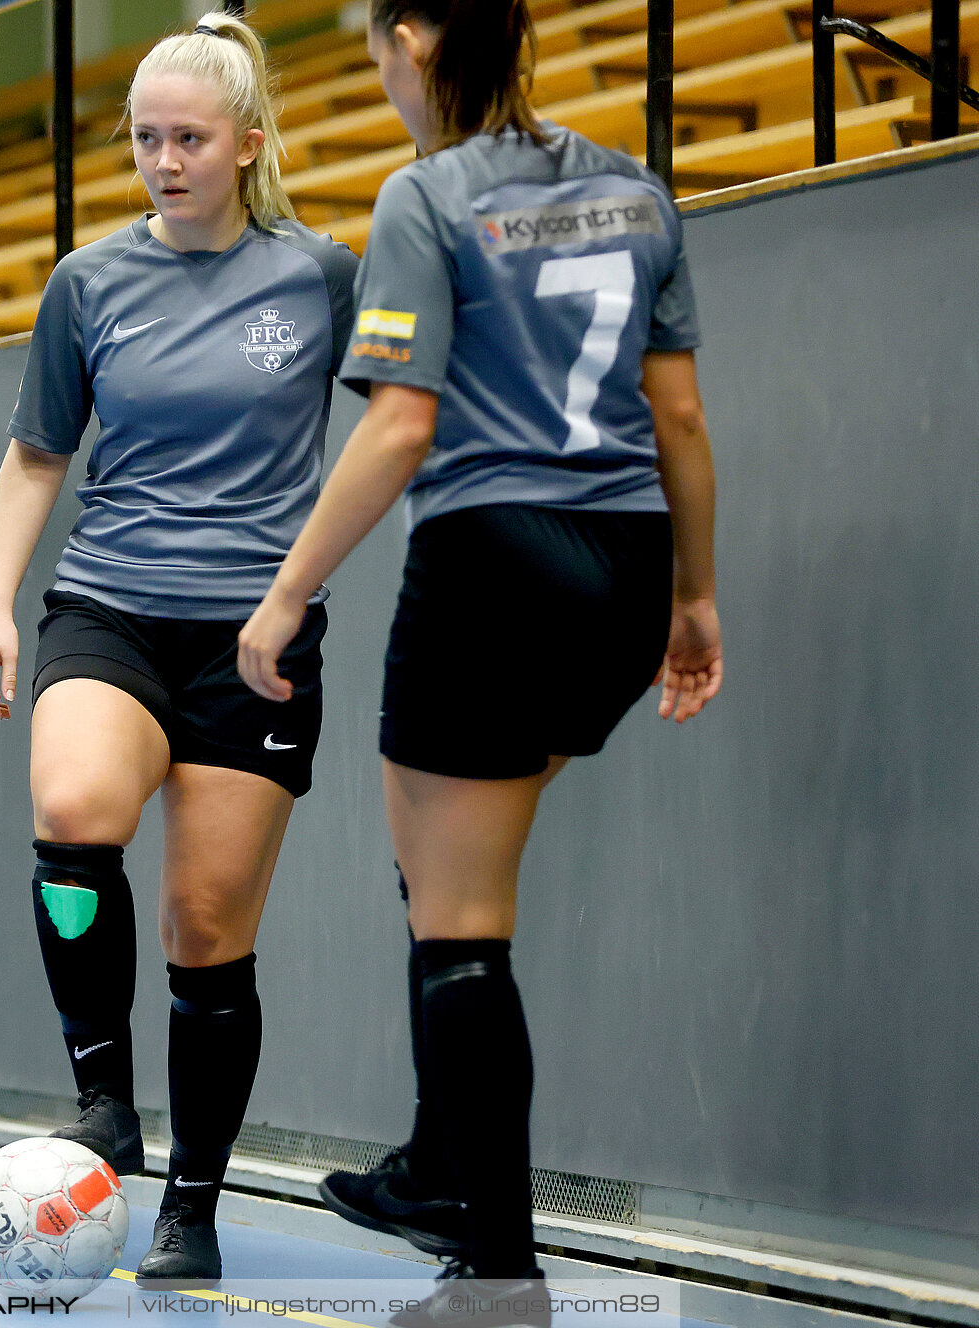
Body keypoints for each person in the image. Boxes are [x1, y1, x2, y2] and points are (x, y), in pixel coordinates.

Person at [237, 0, 722, 1320]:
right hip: (623, 565)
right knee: (449, 852)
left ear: (417, 42)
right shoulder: (635, 187)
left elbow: (400, 428)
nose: (381, 75)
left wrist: (285, 596)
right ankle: (435, 1155)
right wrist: (694, 597)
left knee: (459, 922)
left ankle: (495, 1261)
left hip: (493, 558)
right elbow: (676, 412)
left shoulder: (426, 195)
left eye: (376, 49)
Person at [0, 12, 359, 1288]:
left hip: (258, 632)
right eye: (146, 139)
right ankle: (103, 1102)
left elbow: (401, 418)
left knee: (204, 925)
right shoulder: (88, 283)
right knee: (74, 809)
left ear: (247, 146)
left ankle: (194, 1201)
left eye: (190, 138)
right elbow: (37, 454)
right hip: (112, 603)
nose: (165, 160)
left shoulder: (324, 274)